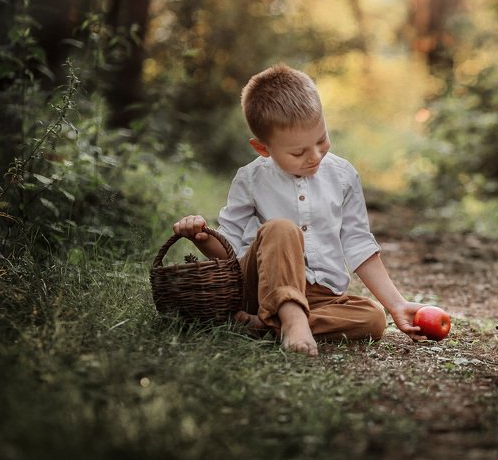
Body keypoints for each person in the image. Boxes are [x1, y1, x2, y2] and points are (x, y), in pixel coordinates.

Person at [173, 63, 426, 356]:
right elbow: (228, 249)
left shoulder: (343, 176)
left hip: (321, 298)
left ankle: (268, 326)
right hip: (261, 289)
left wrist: (395, 304)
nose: (315, 156)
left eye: (321, 140)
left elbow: (357, 243)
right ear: (263, 149)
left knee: (372, 318)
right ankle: (288, 319)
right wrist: (201, 237)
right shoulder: (251, 179)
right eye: (298, 152)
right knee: (281, 229)